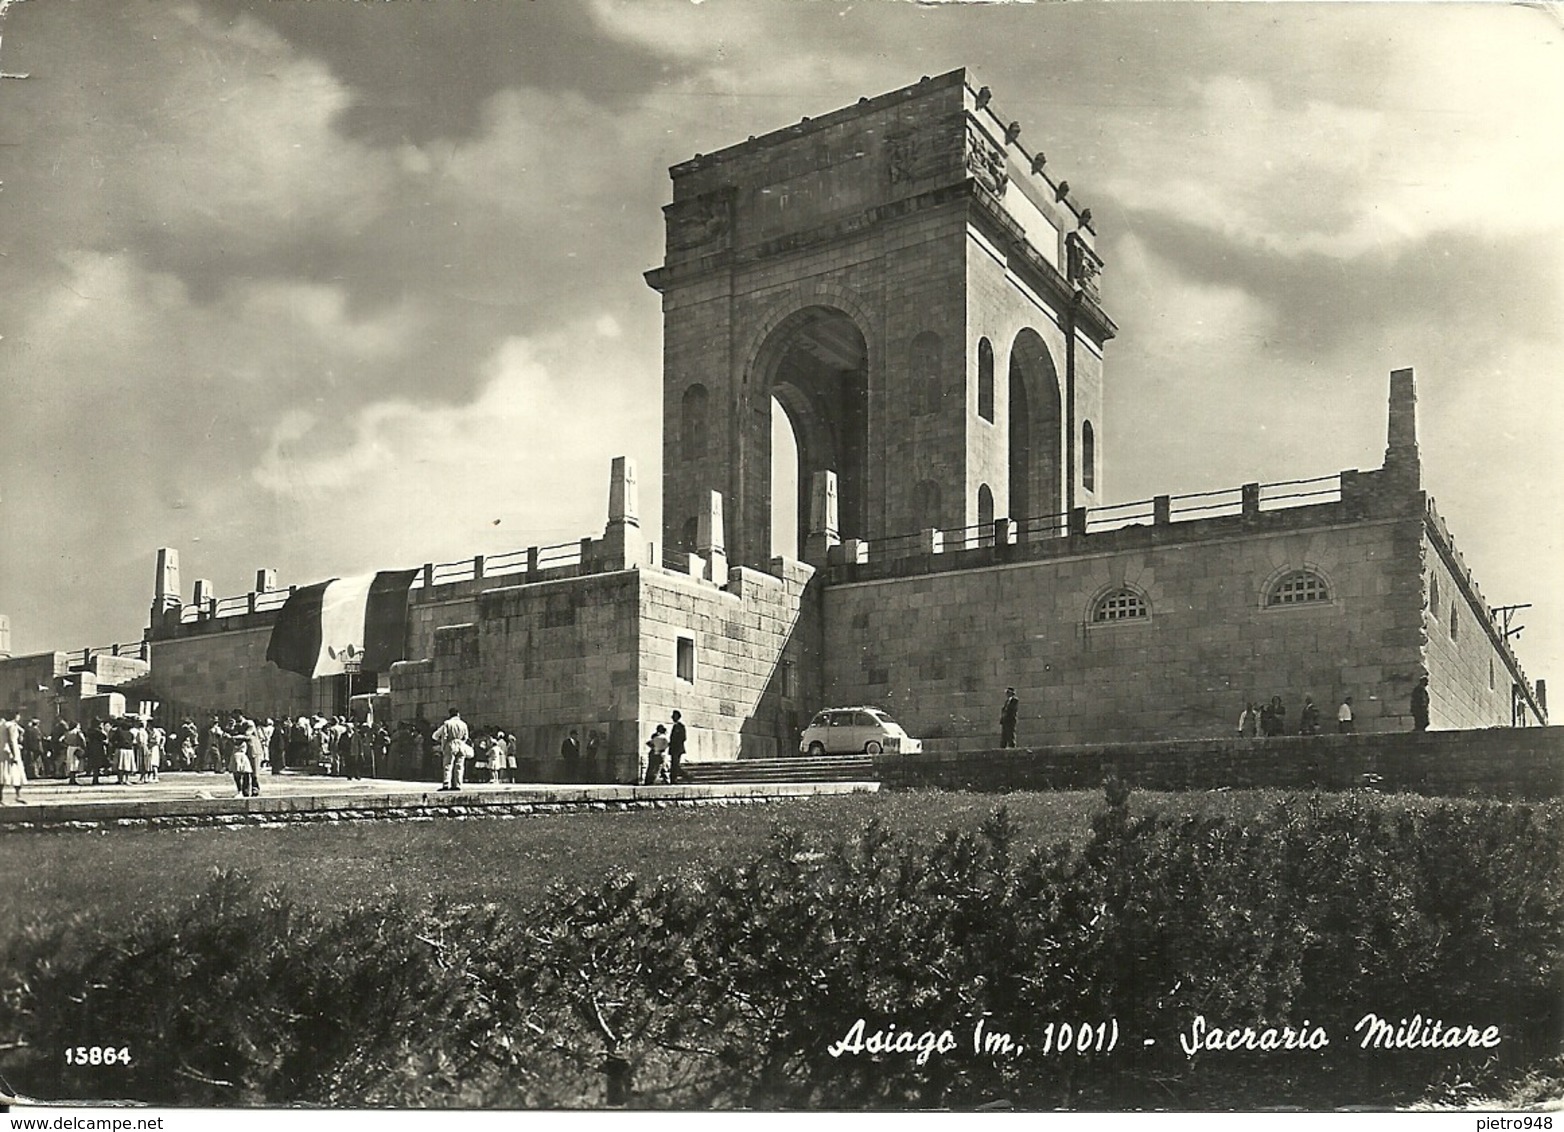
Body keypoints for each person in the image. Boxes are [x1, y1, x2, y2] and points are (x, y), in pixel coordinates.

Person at [434, 707, 471, 792]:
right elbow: (466, 737)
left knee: (448, 765)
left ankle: (446, 783)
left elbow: (444, 736)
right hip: (461, 744)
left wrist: (443, 746)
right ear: (458, 714)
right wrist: (462, 743)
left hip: (450, 744)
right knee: (459, 765)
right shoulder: (463, 724)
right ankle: (458, 784)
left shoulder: (447, 723)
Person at [1, 708, 27, 803]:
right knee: (16, 773)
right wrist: (14, 755)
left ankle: (1, 797)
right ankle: (18, 795)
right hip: (12, 751)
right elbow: (11, 740)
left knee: (3, 774)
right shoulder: (11, 726)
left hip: (3, 751)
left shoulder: (3, 725)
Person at [62, 720, 86, 786]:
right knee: (75, 763)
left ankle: (71, 779)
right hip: (76, 747)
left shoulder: (68, 732)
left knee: (70, 763)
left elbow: (61, 739)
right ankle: (73, 779)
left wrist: (66, 744)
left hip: (69, 748)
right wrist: (84, 747)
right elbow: (83, 739)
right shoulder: (77, 732)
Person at [667, 711, 688, 783]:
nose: (672, 717)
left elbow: (683, 738)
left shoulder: (680, 726)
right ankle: (674, 779)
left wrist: (675, 743)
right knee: (674, 764)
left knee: (675, 764)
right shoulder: (675, 726)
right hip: (674, 749)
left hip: (677, 749)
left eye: (674, 716)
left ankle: (686, 776)